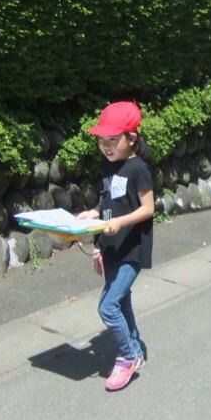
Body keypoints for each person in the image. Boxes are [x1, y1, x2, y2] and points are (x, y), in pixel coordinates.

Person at [77, 101, 155, 392]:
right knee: (121, 302)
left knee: (108, 306)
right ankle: (134, 348)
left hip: (131, 249)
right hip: (111, 247)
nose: (106, 146)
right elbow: (107, 202)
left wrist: (121, 222)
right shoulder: (107, 167)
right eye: (102, 140)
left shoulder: (139, 169)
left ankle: (128, 356)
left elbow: (148, 208)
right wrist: (94, 215)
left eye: (113, 140)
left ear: (131, 138)